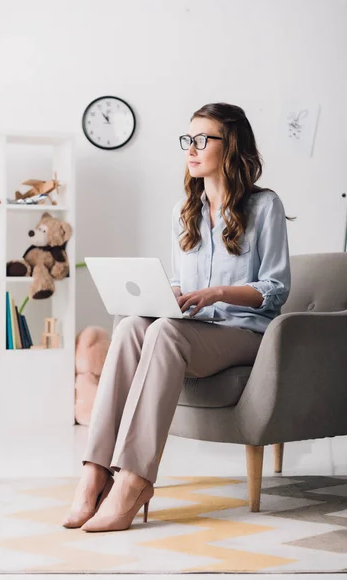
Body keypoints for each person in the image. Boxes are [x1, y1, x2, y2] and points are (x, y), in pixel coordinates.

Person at [63, 102, 292, 533]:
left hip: (244, 332)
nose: (192, 148)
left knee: (166, 333)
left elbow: (275, 289)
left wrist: (218, 293)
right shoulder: (183, 211)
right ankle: (95, 473)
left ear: (231, 146)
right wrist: (169, 293)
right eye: (188, 139)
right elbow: (180, 279)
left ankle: (134, 481)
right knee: (133, 325)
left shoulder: (265, 206)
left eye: (203, 139)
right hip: (196, 329)